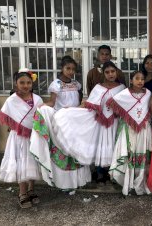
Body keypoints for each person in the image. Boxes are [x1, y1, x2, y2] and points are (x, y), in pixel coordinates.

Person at [30, 56, 91, 190]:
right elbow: (52, 103)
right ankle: (65, 182)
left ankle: (78, 181)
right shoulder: (56, 84)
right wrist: (41, 107)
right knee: (64, 149)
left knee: (76, 148)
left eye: (73, 69)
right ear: (62, 69)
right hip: (62, 121)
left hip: (75, 119)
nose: (70, 71)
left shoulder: (76, 84)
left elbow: (78, 100)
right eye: (68, 68)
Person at [53, 61, 125, 167]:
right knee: (101, 147)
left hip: (116, 123)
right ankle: (101, 174)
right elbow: (89, 105)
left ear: (116, 72)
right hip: (101, 124)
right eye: (107, 72)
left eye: (113, 71)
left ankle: (113, 174)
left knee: (115, 146)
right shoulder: (98, 87)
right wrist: (72, 110)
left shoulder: (122, 88)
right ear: (103, 74)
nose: (110, 74)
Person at [0, 69, 42, 208]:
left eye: (28, 82)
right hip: (18, 137)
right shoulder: (12, 100)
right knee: (21, 162)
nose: (25, 85)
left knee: (32, 161)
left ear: (32, 83)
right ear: (16, 83)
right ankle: (22, 193)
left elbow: (41, 117)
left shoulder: (37, 99)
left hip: (34, 136)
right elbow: (8, 118)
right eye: (22, 82)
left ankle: (31, 189)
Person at [107, 71, 152, 196]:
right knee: (129, 153)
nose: (140, 81)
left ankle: (139, 184)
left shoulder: (148, 93)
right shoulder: (124, 94)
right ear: (131, 80)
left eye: (142, 79)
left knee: (141, 155)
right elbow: (113, 105)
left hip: (143, 129)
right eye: (137, 78)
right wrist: (126, 115)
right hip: (128, 129)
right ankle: (127, 184)